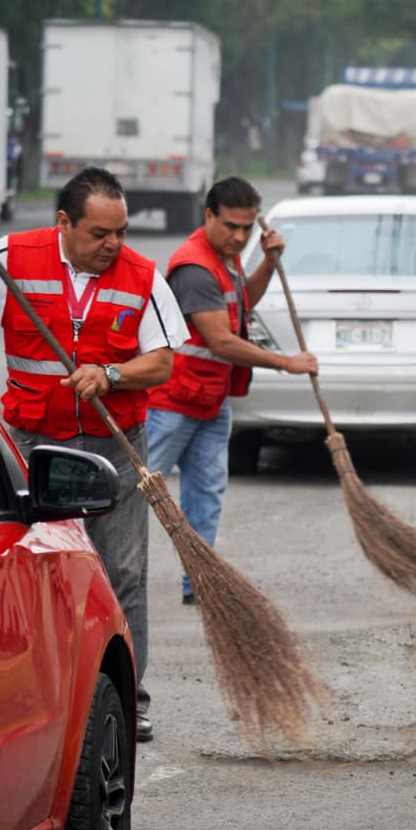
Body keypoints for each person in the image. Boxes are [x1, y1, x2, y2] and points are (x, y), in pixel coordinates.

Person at [0, 166, 185, 742]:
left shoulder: (143, 276)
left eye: (120, 231)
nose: (114, 245)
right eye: (100, 233)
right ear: (64, 223)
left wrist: (112, 373)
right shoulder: (11, 257)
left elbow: (163, 361)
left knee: (122, 573)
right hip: (33, 446)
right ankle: (26, 691)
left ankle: (131, 698)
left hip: (113, 447)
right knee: (26, 574)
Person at [146, 177, 318, 604]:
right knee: (133, 495)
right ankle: (102, 577)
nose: (240, 237)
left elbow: (243, 304)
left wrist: (267, 264)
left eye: (247, 229)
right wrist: (287, 363)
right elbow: (221, 340)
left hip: (210, 399)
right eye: (230, 226)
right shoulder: (195, 266)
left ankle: (200, 584)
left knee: (206, 495)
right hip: (173, 403)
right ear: (208, 216)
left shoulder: (227, 257)